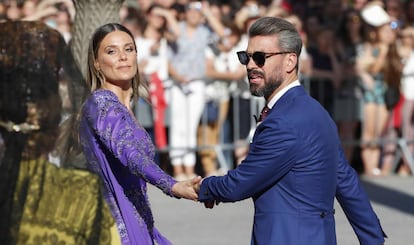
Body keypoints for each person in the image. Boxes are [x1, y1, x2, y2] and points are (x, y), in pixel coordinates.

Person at [195, 17, 386, 245]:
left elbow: (240, 184)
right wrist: (373, 238)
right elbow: (347, 182)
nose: (250, 65)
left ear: (290, 61)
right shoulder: (316, 112)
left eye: (260, 57)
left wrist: (201, 187)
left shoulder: (284, 121)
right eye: (246, 57)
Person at [78, 23, 201, 245]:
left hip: (140, 219)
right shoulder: (101, 103)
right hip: (115, 226)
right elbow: (131, 155)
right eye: (111, 51)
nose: (123, 57)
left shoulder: (123, 106)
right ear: (96, 63)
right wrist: (172, 185)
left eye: (129, 49)